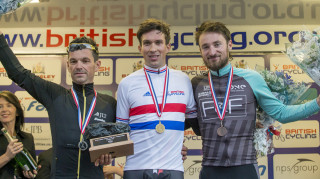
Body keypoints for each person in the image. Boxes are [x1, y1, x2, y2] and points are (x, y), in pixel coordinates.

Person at [186, 21, 320, 179]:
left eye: (217, 44)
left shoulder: (251, 78)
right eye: (205, 46)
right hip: (210, 169)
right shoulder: (195, 84)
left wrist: (317, 103)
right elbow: (182, 121)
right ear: (200, 50)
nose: (212, 51)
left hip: (245, 168)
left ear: (229, 45)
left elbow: (281, 113)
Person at [0, 32, 116, 178]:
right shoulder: (55, 95)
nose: (79, 66)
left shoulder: (109, 104)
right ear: (68, 65)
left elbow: (119, 141)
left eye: (85, 61)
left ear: (97, 65)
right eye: (73, 61)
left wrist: (111, 153)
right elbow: (18, 74)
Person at [116, 18, 197, 179]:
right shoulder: (126, 83)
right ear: (140, 48)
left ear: (168, 47)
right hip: (136, 168)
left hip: (173, 168)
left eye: (158, 42)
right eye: (147, 43)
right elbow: (121, 131)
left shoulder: (184, 80)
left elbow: (195, 123)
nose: (153, 49)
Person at [0, 90, 37, 179]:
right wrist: (7, 156)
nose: (4, 110)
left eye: (9, 105)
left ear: (17, 112)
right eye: (0, 106)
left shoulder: (27, 138)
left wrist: (31, 174)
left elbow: (33, 168)